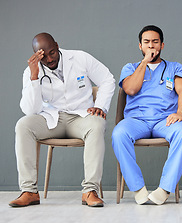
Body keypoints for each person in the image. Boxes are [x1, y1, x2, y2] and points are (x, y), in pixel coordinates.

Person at [10, 33, 115, 208]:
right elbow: (31, 110)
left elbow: (107, 79)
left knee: (97, 123)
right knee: (23, 125)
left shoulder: (80, 58)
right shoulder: (31, 71)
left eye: (53, 52)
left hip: (81, 117)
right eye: (44, 55)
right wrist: (34, 77)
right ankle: (29, 191)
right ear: (36, 55)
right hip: (52, 120)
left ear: (57, 46)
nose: (50, 59)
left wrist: (101, 106)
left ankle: (90, 191)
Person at [112, 25, 182, 205]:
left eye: (155, 42)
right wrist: (144, 63)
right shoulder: (130, 67)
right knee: (118, 134)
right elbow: (130, 89)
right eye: (146, 42)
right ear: (140, 46)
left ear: (162, 45)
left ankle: (164, 189)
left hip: (165, 120)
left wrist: (180, 112)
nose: (151, 46)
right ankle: (138, 189)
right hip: (136, 120)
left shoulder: (174, 67)